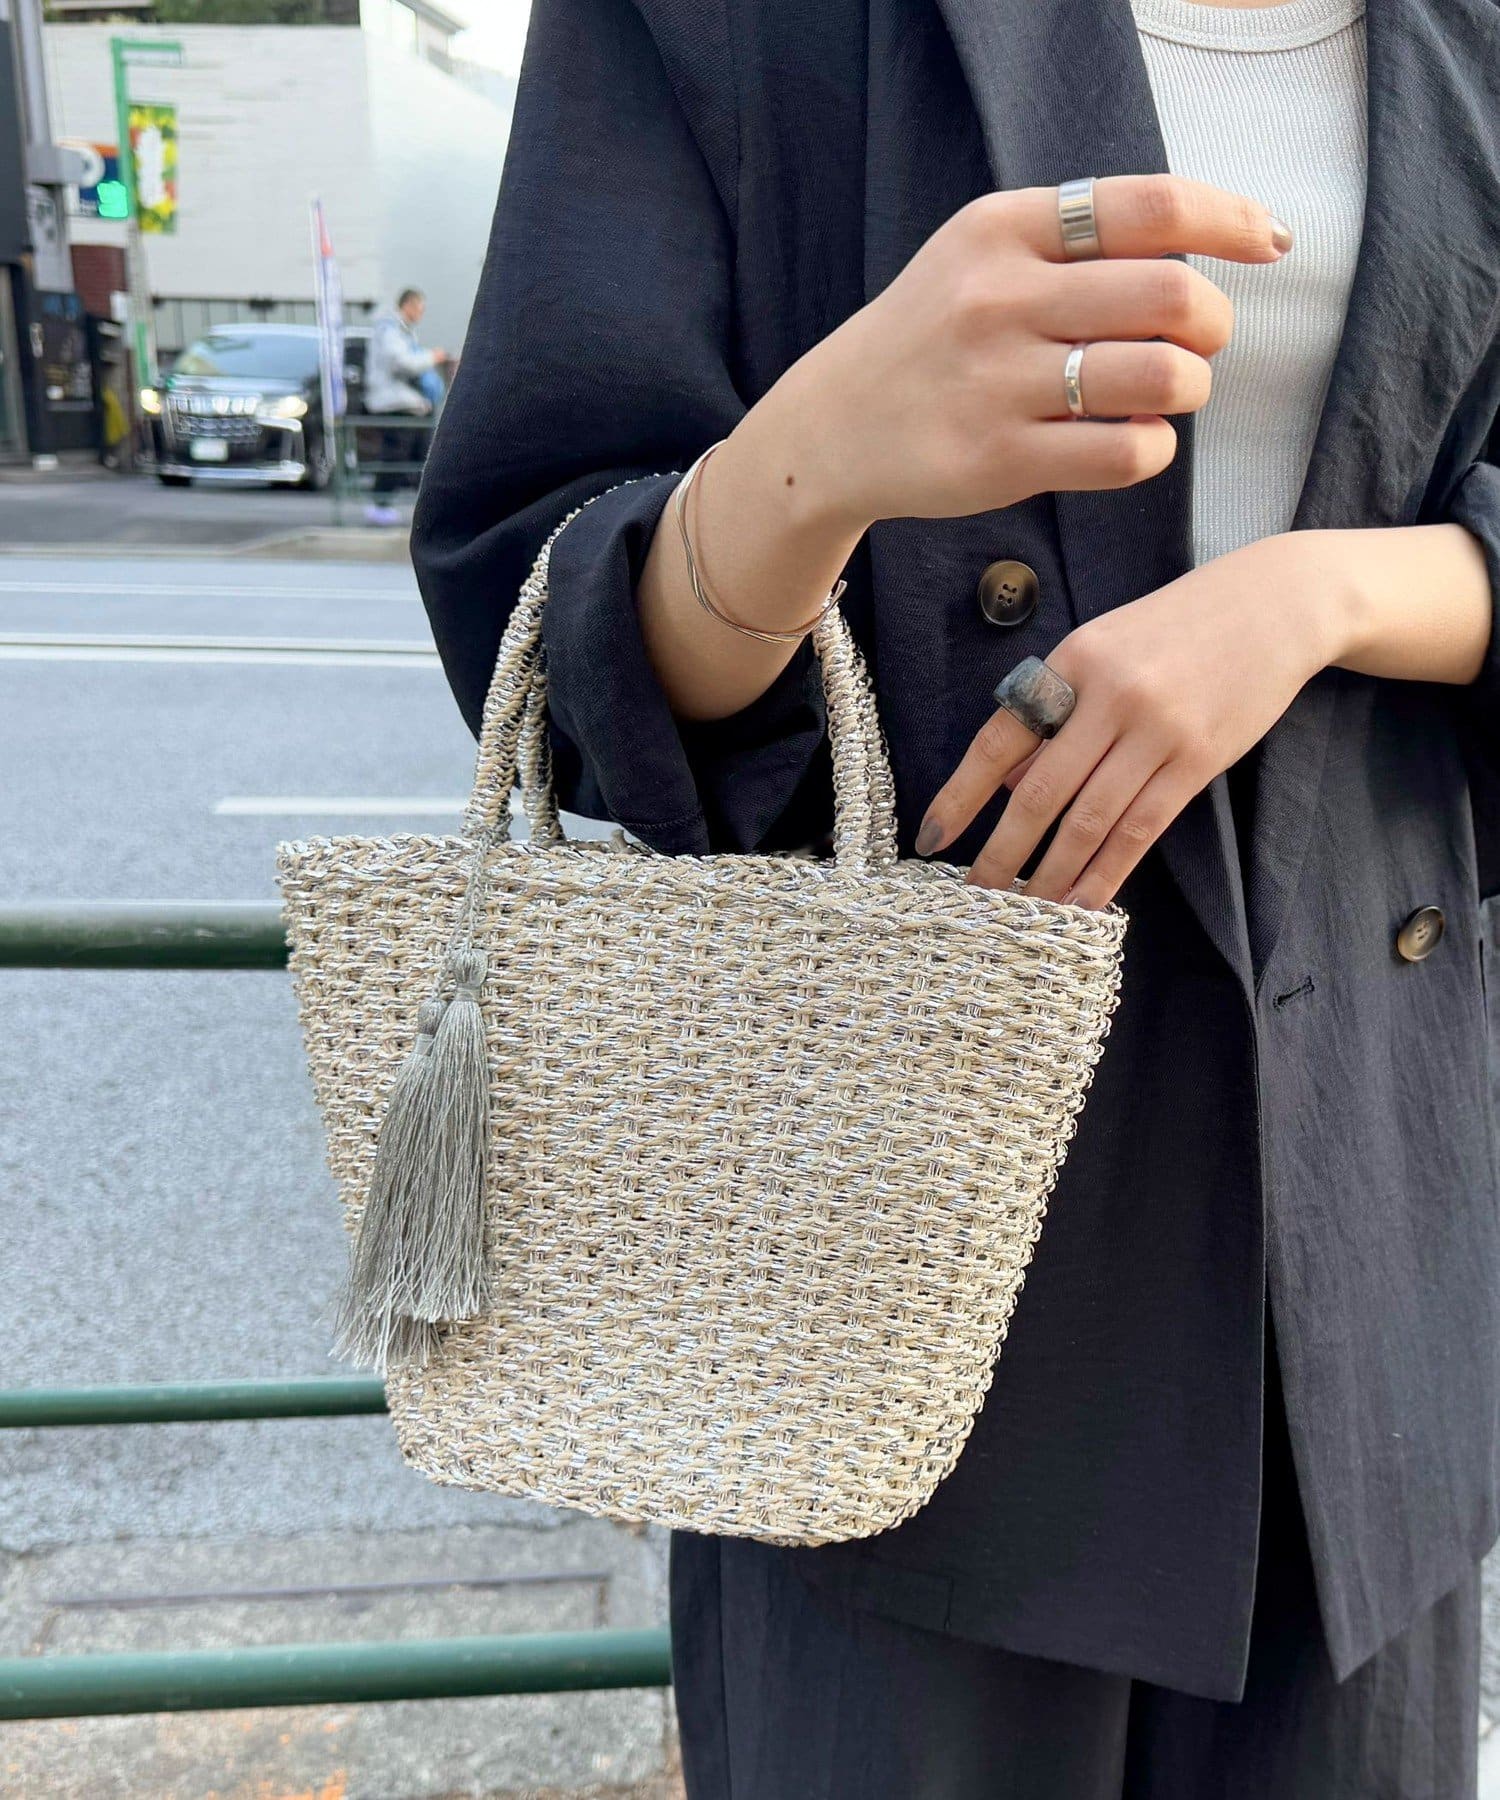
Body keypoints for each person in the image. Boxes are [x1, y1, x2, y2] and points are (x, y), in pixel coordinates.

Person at [411, 0, 1500, 1792]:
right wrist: (815, 459)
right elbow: (534, 595)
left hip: (1358, 1276)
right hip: (886, 1268)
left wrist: (1318, 597)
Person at [363, 286, 449, 526]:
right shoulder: (390, 330)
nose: (421, 313)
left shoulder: (402, 330)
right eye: (420, 307)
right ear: (408, 305)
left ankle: (427, 505)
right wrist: (432, 357)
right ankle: (380, 503)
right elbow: (402, 363)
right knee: (396, 454)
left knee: (423, 453)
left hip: (408, 403)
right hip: (394, 403)